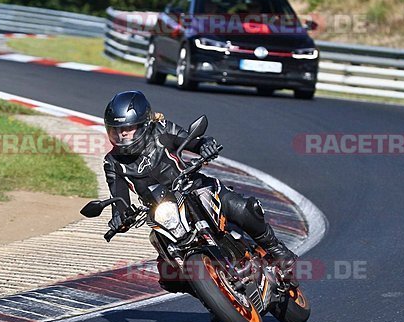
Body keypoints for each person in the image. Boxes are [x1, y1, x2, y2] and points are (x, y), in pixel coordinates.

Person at [102, 90, 297, 292]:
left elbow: (192, 141)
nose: (121, 134)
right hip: (163, 212)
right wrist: (119, 219)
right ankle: (210, 293)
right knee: (169, 276)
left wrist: (205, 145)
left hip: (193, 187)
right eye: (116, 130)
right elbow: (119, 200)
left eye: (127, 128)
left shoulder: (161, 130)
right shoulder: (112, 163)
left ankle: (276, 249)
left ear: (143, 124)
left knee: (242, 207)